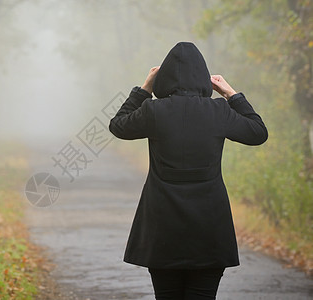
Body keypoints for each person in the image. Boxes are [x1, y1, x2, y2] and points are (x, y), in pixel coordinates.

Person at [108, 42, 268, 300]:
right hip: (210, 228)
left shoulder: (153, 111)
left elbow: (118, 126)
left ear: (164, 77)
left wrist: (144, 89)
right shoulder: (219, 111)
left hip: (162, 228)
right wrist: (232, 94)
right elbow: (258, 133)